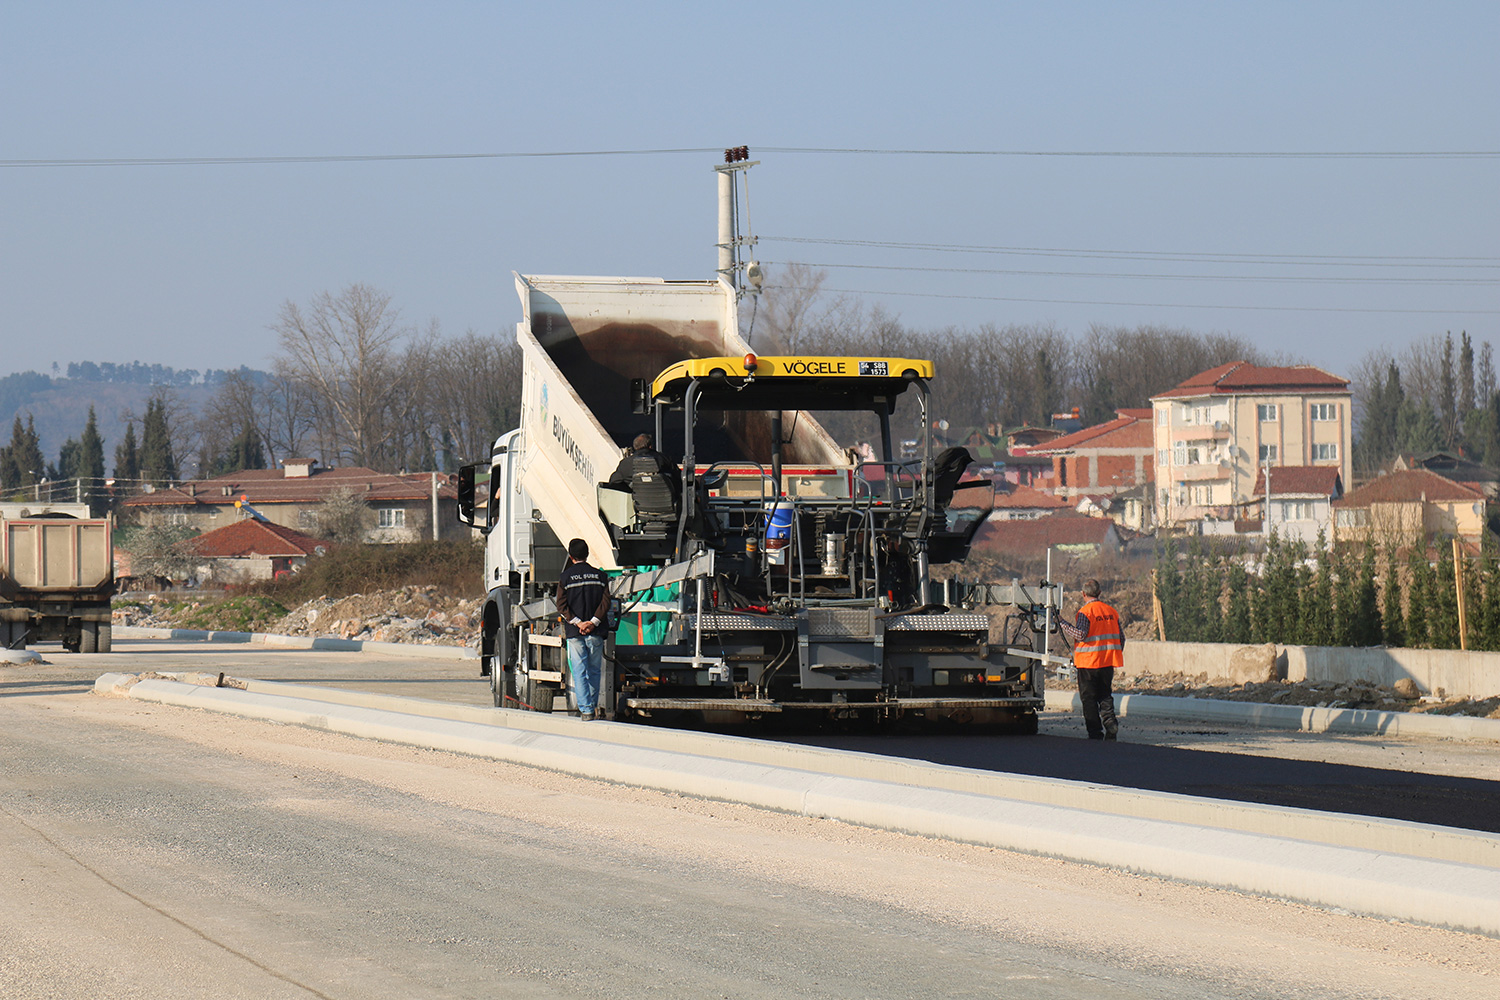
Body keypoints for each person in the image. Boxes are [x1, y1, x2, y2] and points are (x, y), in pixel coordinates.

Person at [554, 538, 611, 721]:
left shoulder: (565, 578)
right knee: (594, 670)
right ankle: (592, 706)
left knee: (579, 671)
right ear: (587, 555)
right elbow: (606, 603)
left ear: (571, 557)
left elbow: (561, 606)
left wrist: (578, 623)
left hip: (575, 633)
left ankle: (586, 710)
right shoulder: (600, 576)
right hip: (595, 631)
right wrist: (593, 622)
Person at [1059, 578, 1124, 740]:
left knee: (1088, 698)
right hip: (1108, 662)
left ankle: (1095, 733)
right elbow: (1121, 638)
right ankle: (1110, 724)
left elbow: (1080, 634)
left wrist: (1062, 623)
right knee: (1105, 694)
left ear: (1083, 594)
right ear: (1099, 593)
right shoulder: (1111, 611)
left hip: (1088, 663)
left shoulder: (1085, 612)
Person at [608, 433, 674, 486]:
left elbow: (614, 482)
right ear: (650, 446)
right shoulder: (664, 459)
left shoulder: (625, 463)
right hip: (664, 500)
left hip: (638, 501)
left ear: (635, 447)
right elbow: (676, 478)